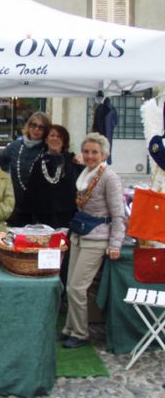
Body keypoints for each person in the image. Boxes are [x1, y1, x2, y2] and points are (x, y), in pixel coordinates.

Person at [60, 133, 125, 349]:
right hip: (80, 234)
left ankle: (80, 332)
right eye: (86, 151)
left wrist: (115, 244)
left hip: (97, 238)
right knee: (70, 285)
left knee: (78, 288)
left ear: (104, 154)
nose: (89, 155)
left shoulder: (109, 177)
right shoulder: (86, 174)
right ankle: (70, 328)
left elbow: (118, 214)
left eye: (94, 152)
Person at [22, 125, 84, 229]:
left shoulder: (73, 162)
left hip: (68, 217)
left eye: (59, 136)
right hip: (43, 218)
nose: (55, 138)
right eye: (52, 135)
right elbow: (32, 192)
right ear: (46, 140)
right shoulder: (39, 164)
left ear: (64, 141)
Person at [0, 111, 51, 226]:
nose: (36, 130)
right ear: (29, 126)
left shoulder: (48, 149)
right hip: (16, 206)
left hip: (39, 208)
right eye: (34, 125)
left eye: (41, 127)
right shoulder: (15, 146)